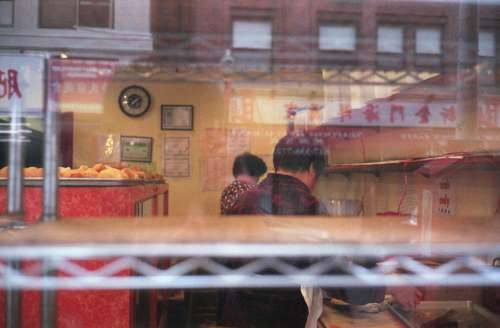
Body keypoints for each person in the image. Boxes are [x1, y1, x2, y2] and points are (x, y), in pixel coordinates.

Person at [224, 133, 421, 327]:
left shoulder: (243, 200)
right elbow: (339, 280)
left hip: (236, 316)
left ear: (277, 163)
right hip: (282, 319)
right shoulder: (308, 207)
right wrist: (393, 286)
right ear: (312, 168)